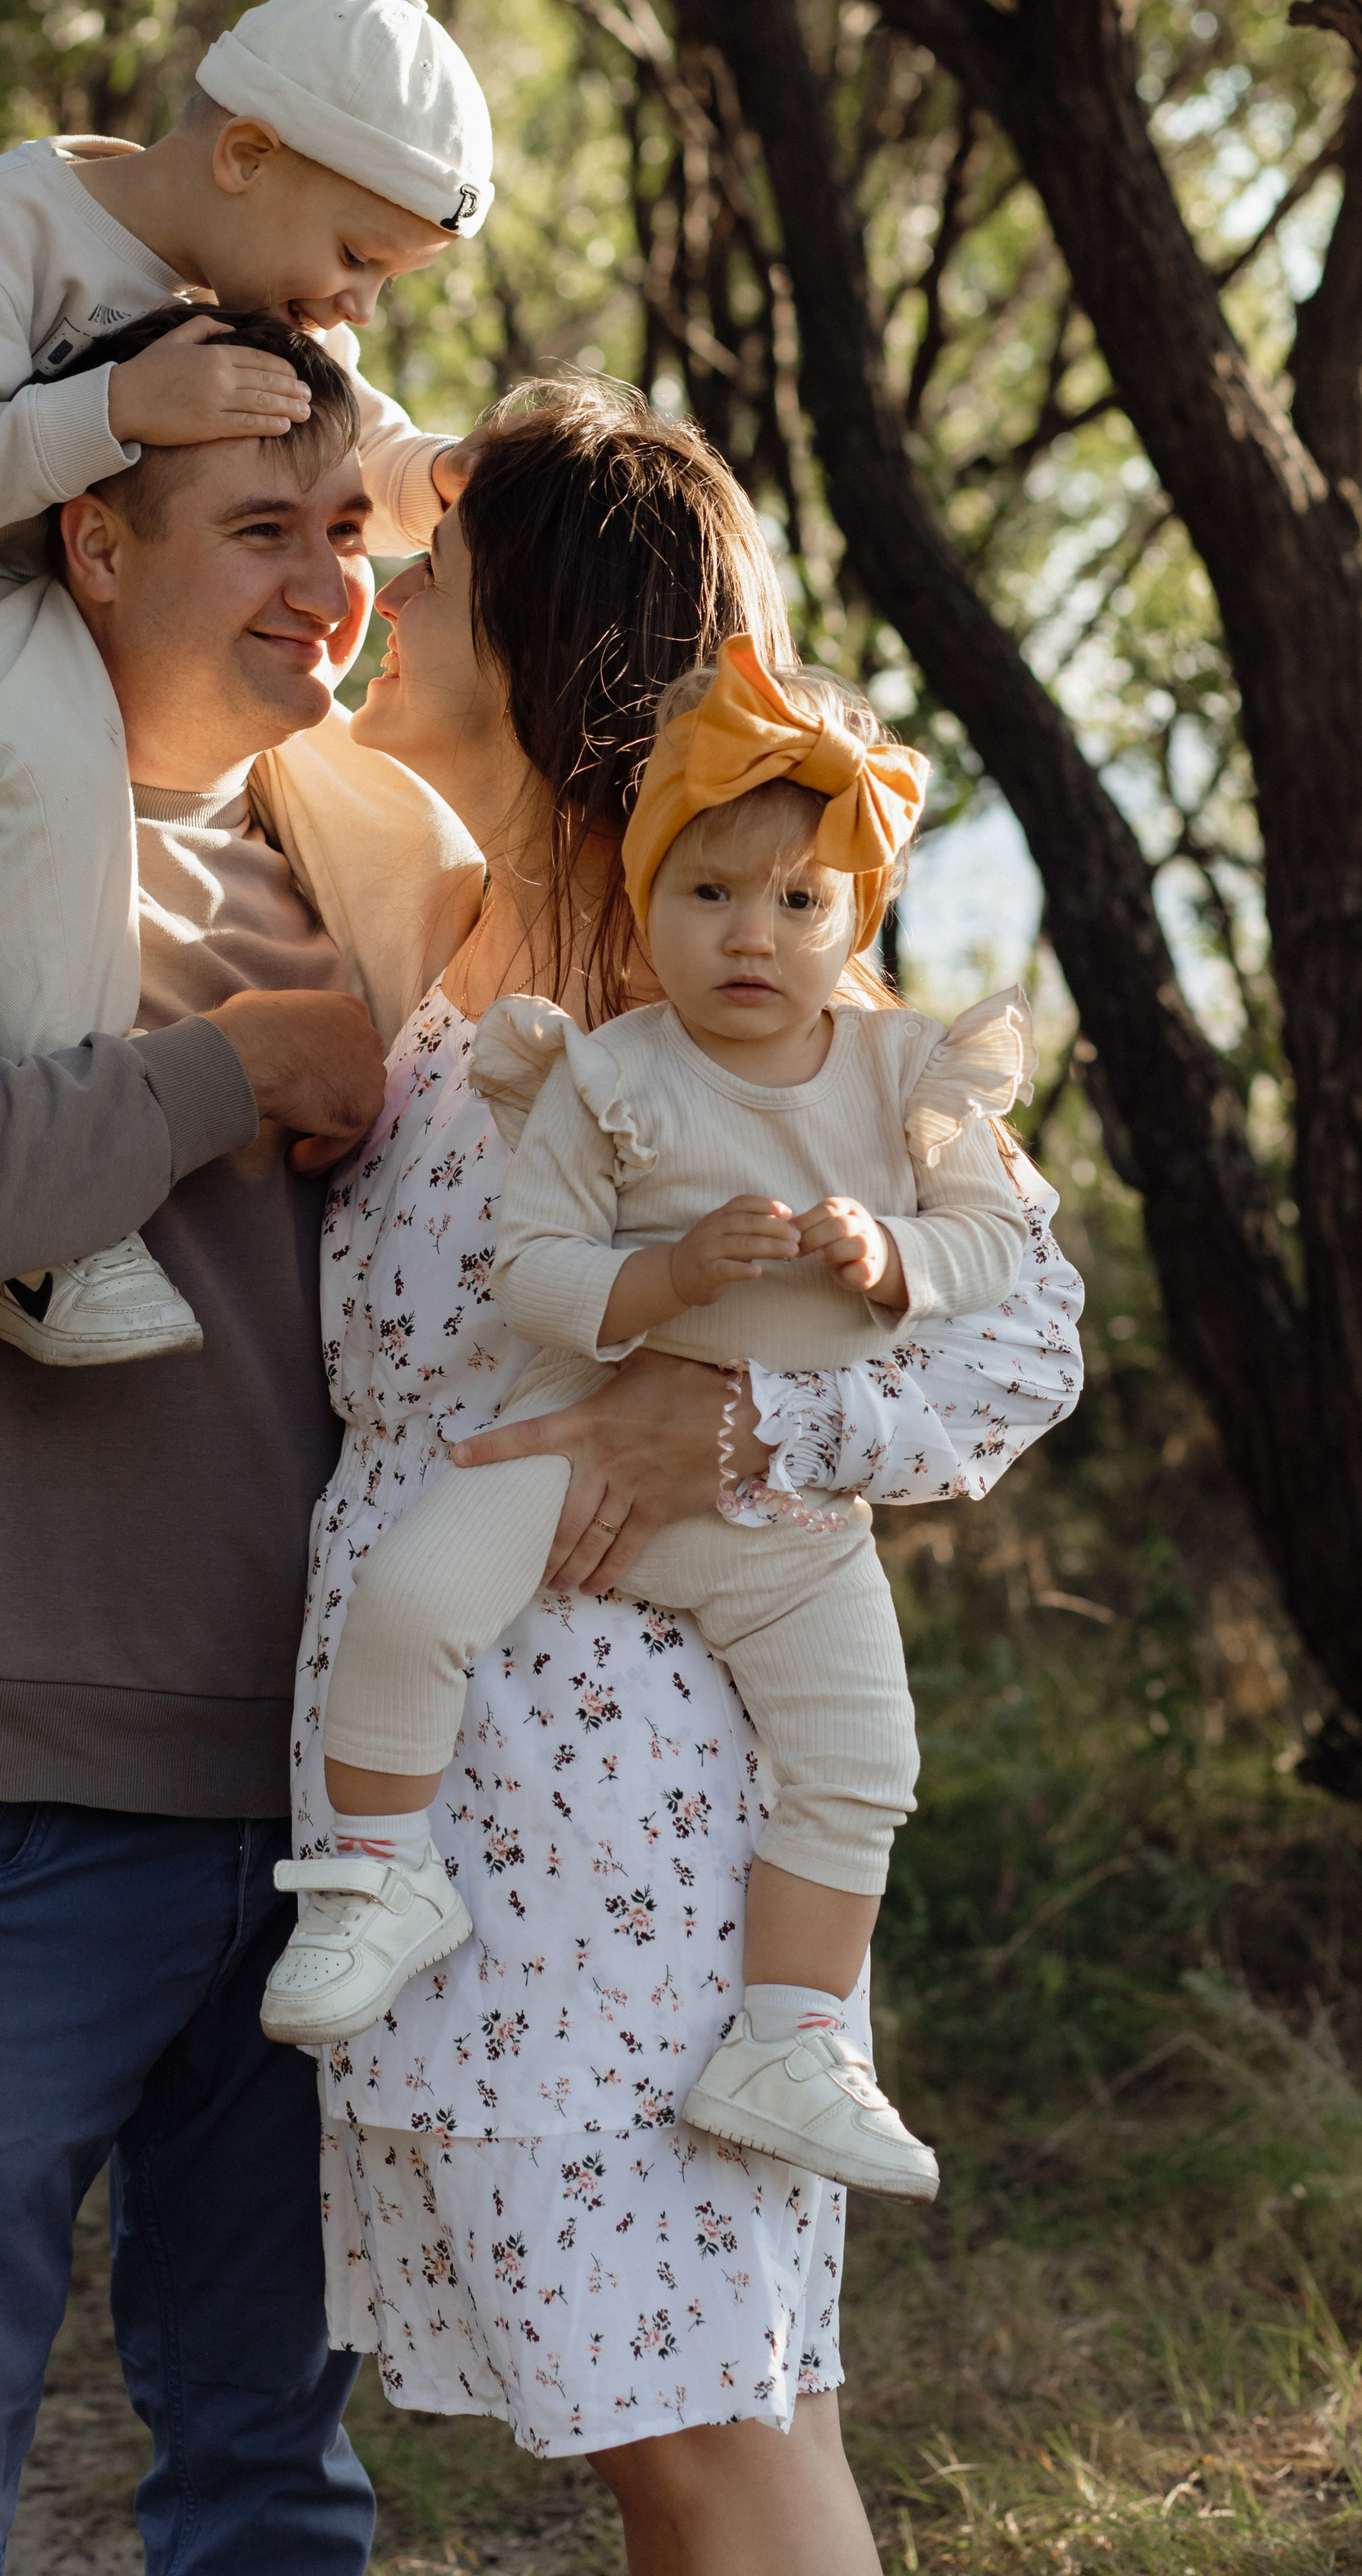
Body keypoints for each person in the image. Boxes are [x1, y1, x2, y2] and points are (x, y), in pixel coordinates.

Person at [0, 337, 874, 2574]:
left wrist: (711, 1402)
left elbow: (819, 1243)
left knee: (277, 2486)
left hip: (350, 1827)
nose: (339, 588)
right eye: (266, 531)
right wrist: (232, 1071)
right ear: (87, 536)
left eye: (363, 540)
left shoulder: (367, 871)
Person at [271, 381, 1084, 2569]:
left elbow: (1023, 1331)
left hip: (622, 1837)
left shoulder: (732, 988)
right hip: (482, 1841)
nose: (379, 602)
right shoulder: (459, 969)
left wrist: (726, 1422)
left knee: (719, 2435)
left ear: (538, 637)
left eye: (429, 577)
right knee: (700, 2427)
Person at [267, 640, 1045, 2206]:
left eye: (796, 903)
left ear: (855, 917)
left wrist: (891, 1258)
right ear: (645, 898)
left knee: (858, 1758)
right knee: (410, 1597)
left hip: (779, 1529)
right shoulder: (608, 1075)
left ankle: (791, 2036)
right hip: (576, 1454)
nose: (749, 936)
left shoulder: (910, 1076)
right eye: (705, 897)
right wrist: (663, 1276)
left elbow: (994, 1262)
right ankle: (374, 1874)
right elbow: (532, 1274)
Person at [0, 0, 493, 1367]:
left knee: (388, 809)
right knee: (58, 762)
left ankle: (466, 1125)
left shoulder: (265, 292)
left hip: (103, 624)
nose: (355, 302)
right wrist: (111, 406)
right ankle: (61, 1244)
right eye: (356, 255)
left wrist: (452, 478)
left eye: (384, 283)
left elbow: (359, 447)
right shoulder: (8, 229)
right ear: (244, 156)